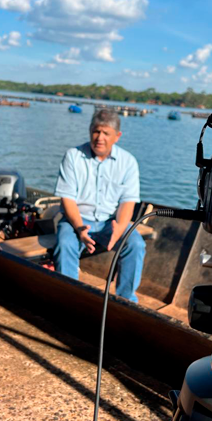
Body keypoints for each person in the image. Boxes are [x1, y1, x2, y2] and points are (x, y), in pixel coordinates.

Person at [53, 109, 145, 302]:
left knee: (135, 244)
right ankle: (70, 298)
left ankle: (126, 301)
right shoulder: (73, 156)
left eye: (106, 133)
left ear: (117, 136)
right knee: (65, 243)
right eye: (96, 131)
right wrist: (79, 228)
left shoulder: (128, 162)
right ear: (89, 131)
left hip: (110, 222)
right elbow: (67, 199)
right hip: (76, 220)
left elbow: (128, 202)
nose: (99, 138)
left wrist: (119, 229)